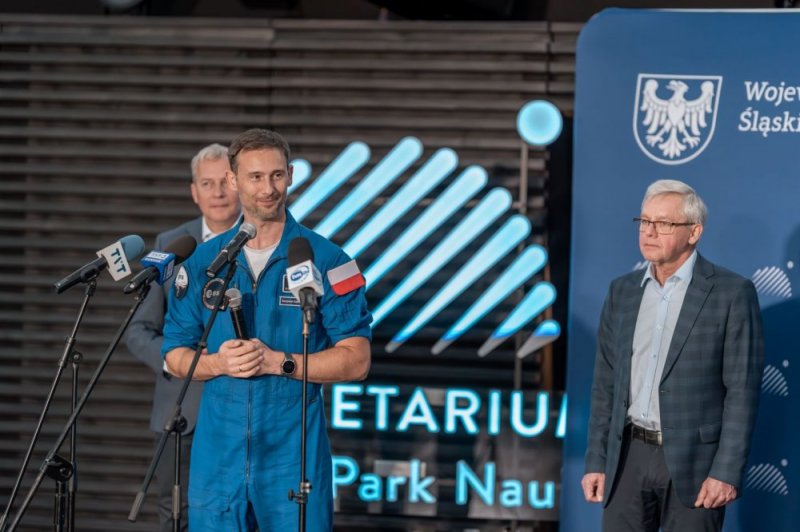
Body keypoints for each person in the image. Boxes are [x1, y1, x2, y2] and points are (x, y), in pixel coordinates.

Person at [162, 128, 372, 531]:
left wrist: (280, 363)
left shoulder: (330, 260)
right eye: (255, 177)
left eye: (277, 175)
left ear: (290, 175)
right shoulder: (204, 262)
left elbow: (357, 360)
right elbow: (173, 355)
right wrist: (219, 363)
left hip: (293, 455)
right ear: (233, 180)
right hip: (217, 456)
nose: (268, 188)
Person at [581, 179, 764, 531]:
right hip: (628, 456)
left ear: (694, 232)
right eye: (644, 221)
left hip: (695, 462)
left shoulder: (731, 293)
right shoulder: (622, 291)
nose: (649, 232)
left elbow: (742, 392)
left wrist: (725, 472)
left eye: (663, 223)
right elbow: (605, 384)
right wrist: (597, 460)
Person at [125, 143, 241, 531]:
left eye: (225, 182)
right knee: (177, 515)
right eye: (207, 183)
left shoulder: (263, 240)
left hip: (244, 410)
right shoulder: (171, 245)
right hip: (181, 412)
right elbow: (138, 330)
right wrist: (181, 360)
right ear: (194, 192)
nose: (218, 192)